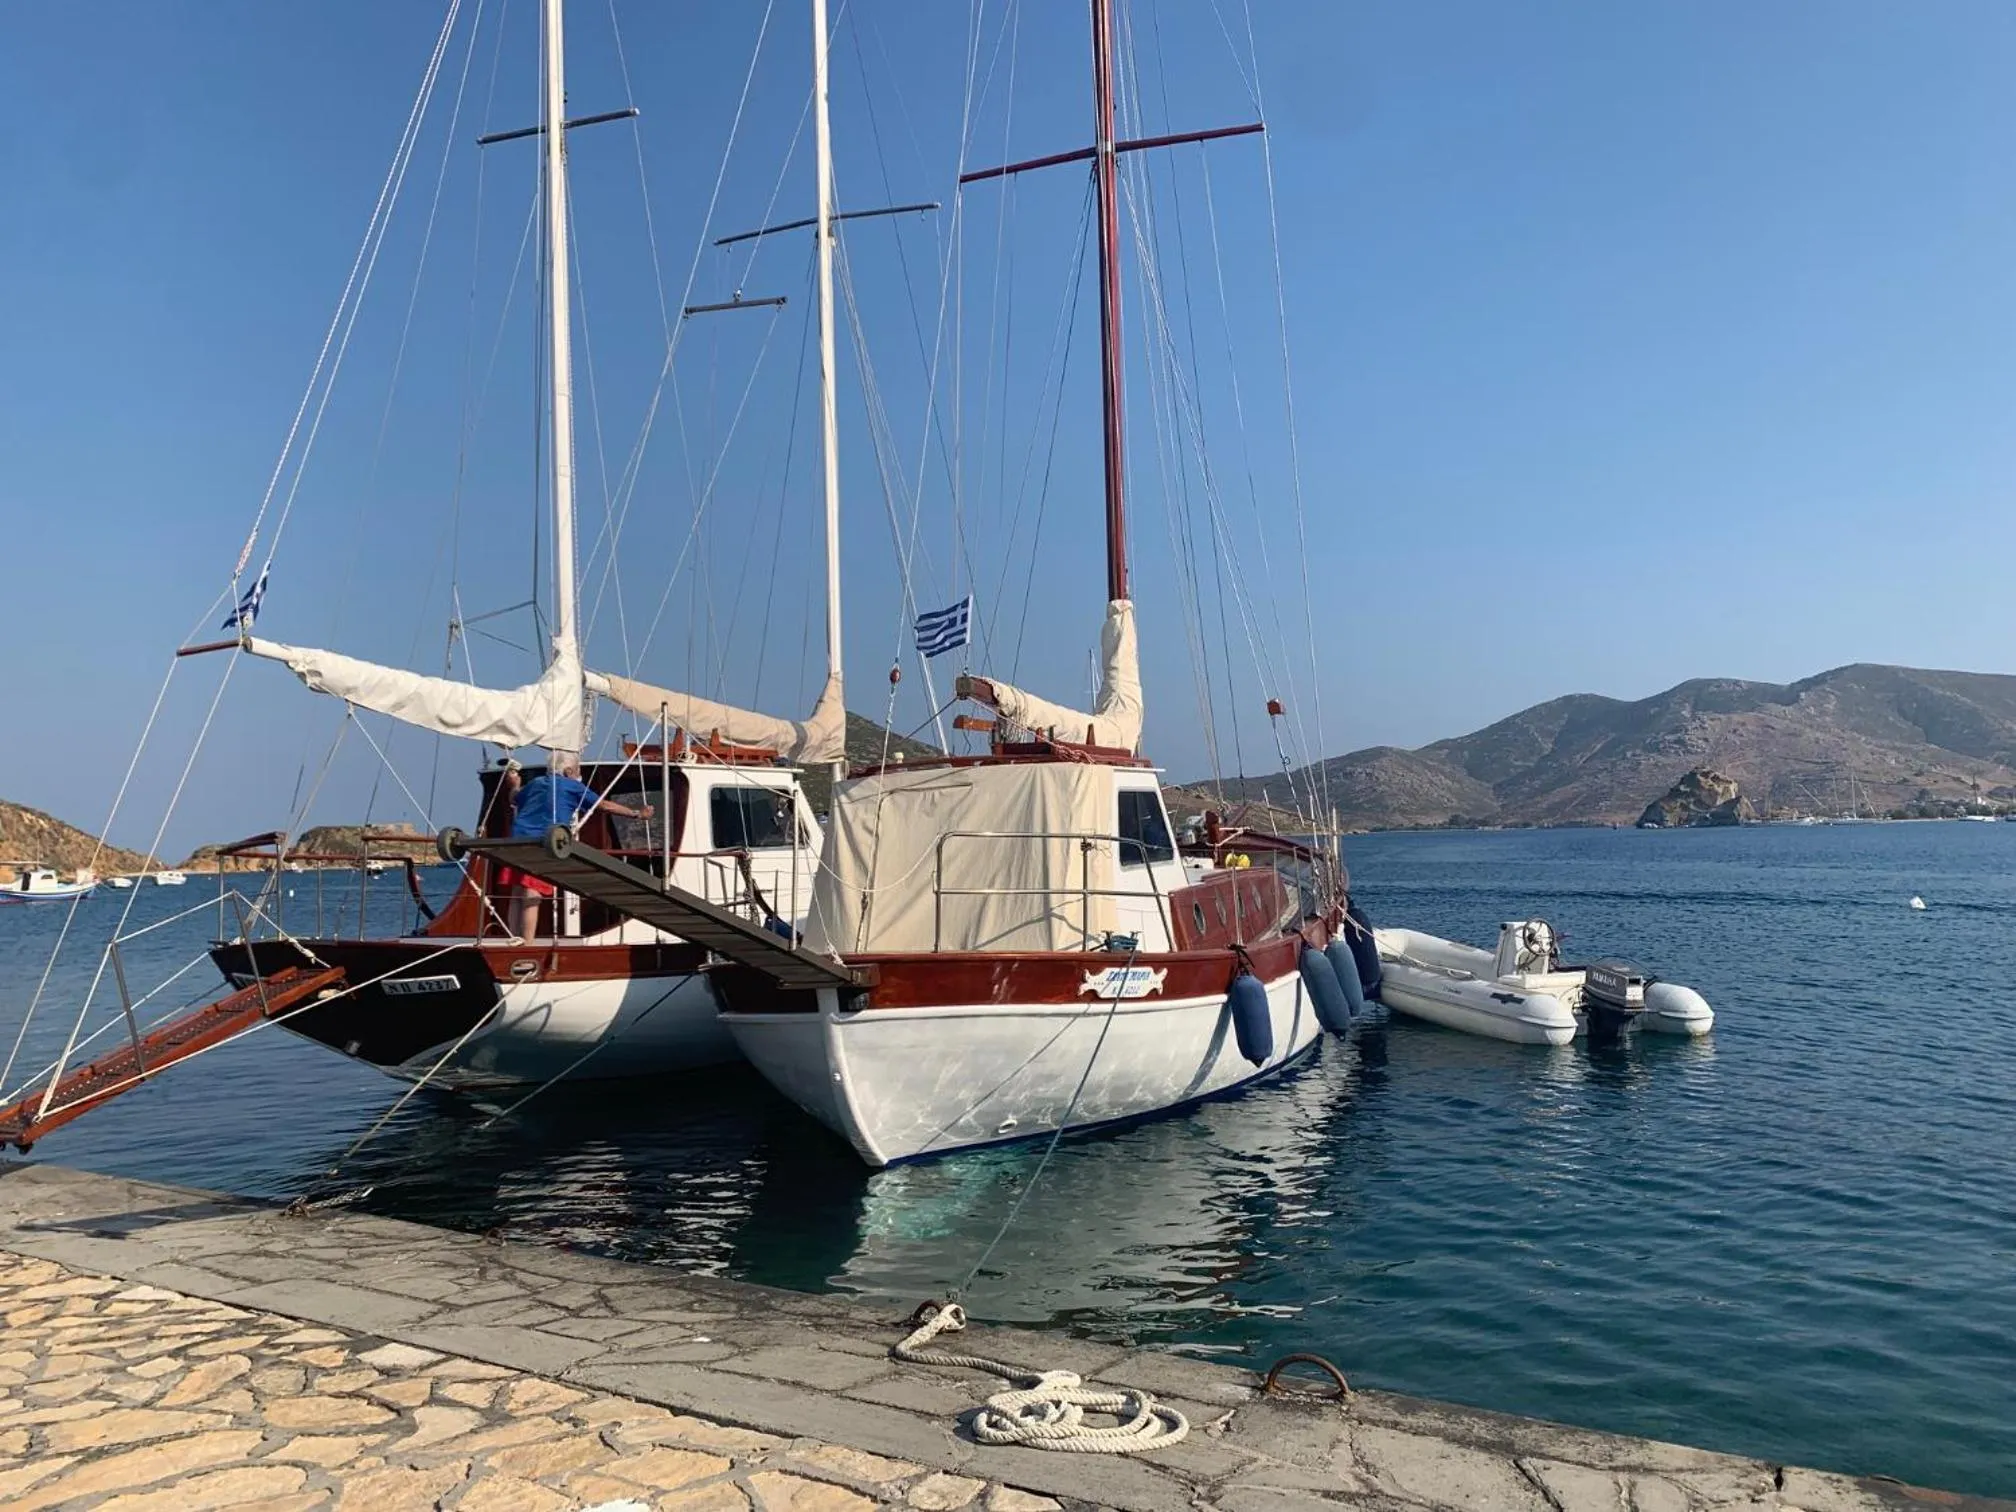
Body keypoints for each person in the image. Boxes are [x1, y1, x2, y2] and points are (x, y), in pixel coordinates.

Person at [502, 756, 653, 940]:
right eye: (578, 769)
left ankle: (513, 939)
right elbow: (603, 805)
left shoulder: (536, 783)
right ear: (569, 772)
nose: (580, 773)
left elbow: (515, 798)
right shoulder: (572, 786)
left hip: (517, 840)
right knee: (531, 893)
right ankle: (526, 944)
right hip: (542, 842)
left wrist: (514, 784)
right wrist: (637, 814)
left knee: (518, 891)